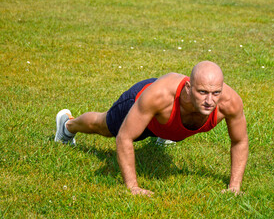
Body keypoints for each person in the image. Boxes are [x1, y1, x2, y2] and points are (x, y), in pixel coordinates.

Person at [55, 61, 248, 197]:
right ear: (189, 88)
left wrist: (234, 186)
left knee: (175, 124)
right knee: (104, 126)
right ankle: (67, 125)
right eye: (202, 92)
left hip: (164, 122)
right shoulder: (159, 96)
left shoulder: (229, 103)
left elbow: (240, 141)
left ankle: (163, 134)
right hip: (140, 104)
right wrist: (133, 187)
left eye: (216, 93)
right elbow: (124, 137)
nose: (209, 100)